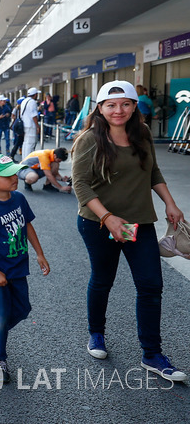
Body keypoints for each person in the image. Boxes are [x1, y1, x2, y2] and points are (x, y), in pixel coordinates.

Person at [72, 80, 187, 382]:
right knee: (102, 279)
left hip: (138, 222)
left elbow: (153, 171)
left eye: (125, 103)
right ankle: (96, 334)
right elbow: (80, 184)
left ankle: (152, 353)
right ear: (100, 108)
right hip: (98, 222)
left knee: (150, 285)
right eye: (110, 104)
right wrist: (108, 217)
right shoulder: (89, 140)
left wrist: (170, 203)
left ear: (135, 106)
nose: (118, 110)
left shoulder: (143, 133)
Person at [0, 154, 50, 383]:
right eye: (7, 175)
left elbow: (27, 225)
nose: (14, 178)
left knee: (23, 309)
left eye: (15, 172)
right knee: (1, 313)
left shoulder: (18, 198)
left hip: (18, 267)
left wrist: (39, 253)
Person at [20, 87, 40, 158]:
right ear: (35, 95)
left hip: (25, 124)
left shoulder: (24, 101)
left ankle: (24, 159)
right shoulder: (32, 102)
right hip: (31, 125)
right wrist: (37, 126)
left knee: (26, 143)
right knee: (30, 144)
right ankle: (28, 161)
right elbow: (34, 115)